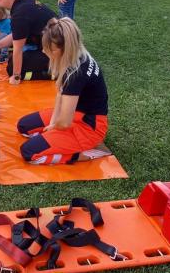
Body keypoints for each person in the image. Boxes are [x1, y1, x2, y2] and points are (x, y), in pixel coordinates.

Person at [17, 17, 111, 165]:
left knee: (29, 153)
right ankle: (61, 142)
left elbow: (65, 123)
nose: (43, 51)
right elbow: (61, 95)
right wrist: (53, 122)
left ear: (63, 49)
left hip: (89, 128)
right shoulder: (76, 55)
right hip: (77, 114)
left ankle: (87, 152)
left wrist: (54, 127)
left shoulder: (74, 74)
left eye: (49, 48)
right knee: (23, 126)